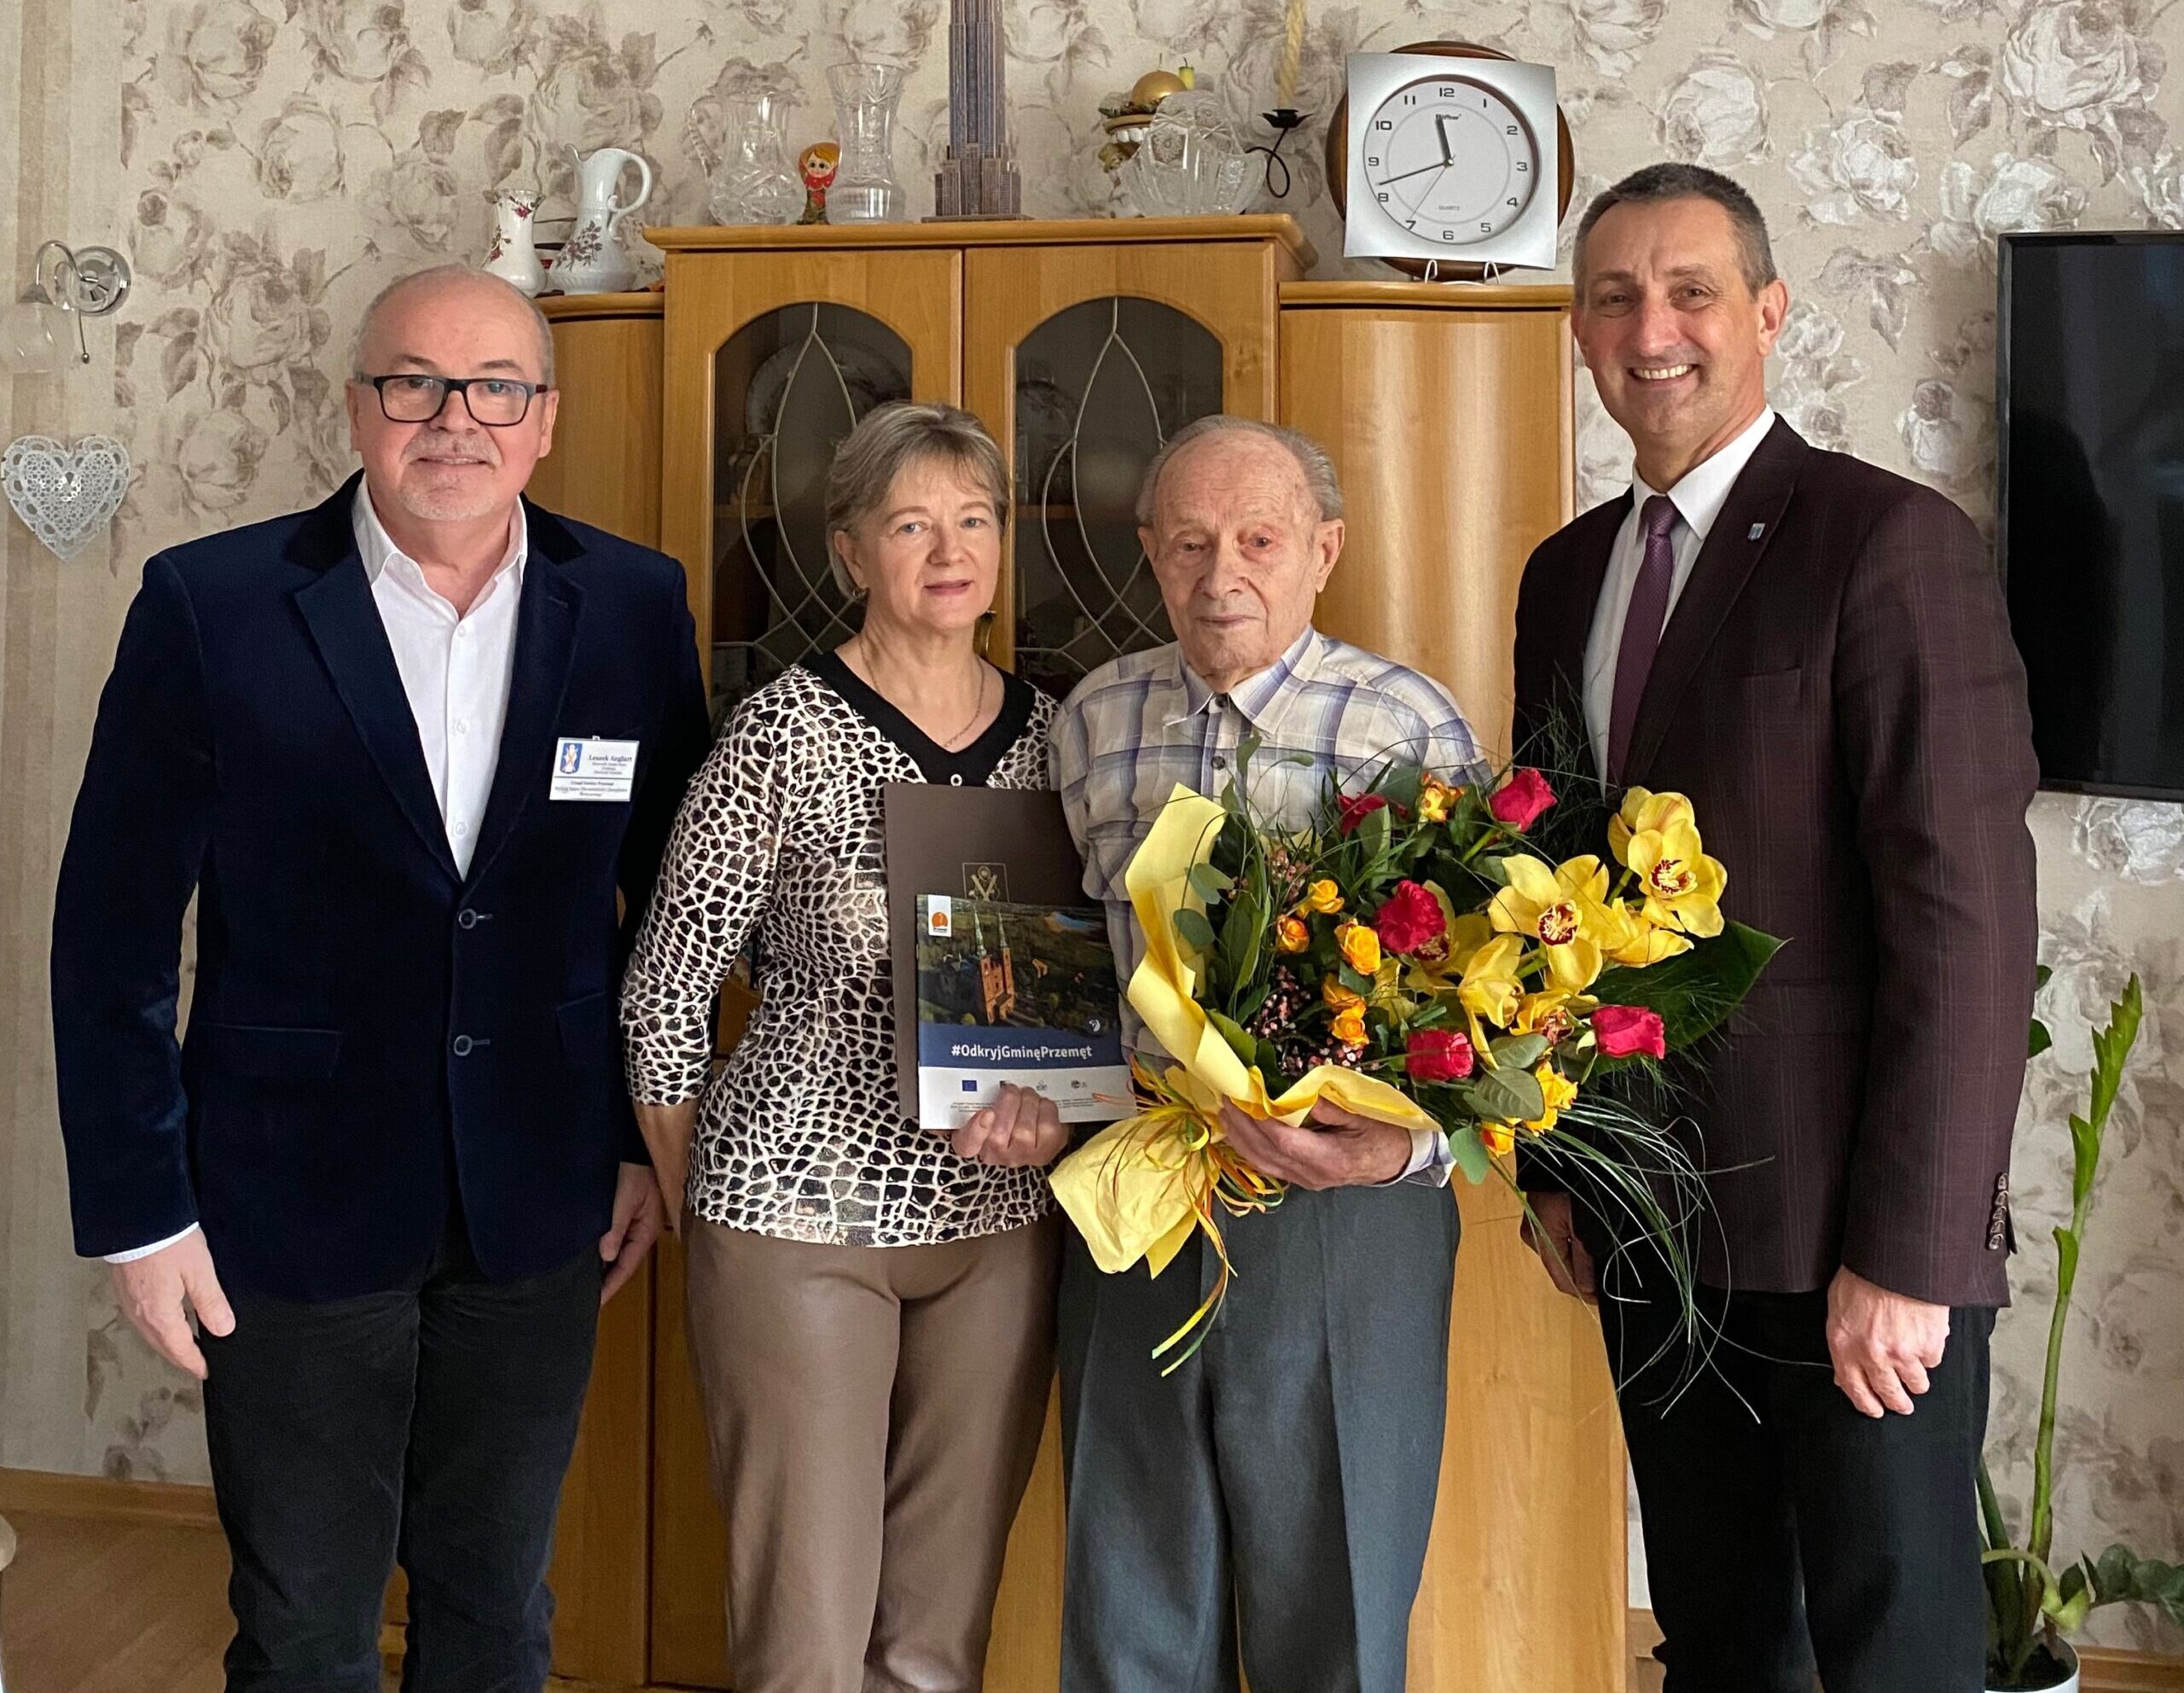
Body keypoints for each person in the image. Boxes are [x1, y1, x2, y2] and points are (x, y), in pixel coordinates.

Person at [49, 265, 712, 1692]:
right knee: (306, 1628)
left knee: (494, 1607)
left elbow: (671, 917)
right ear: (358, 407)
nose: (452, 420)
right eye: (413, 382)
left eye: (495, 390)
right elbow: (109, 935)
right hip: (284, 1201)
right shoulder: (211, 605)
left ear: (545, 421)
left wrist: (639, 1141)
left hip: (541, 1201)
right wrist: (138, 1215)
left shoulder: (636, 607)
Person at [1510, 164, 2040, 1693]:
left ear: (1767, 314)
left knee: (1895, 1650)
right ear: (1580, 331)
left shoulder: (1888, 543)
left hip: (1850, 1243)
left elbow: (1966, 919)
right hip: (1654, 1223)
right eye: (1613, 297)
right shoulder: (1563, 578)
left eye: (1689, 292)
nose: (1650, 328)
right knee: (1725, 1638)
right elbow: (1544, 896)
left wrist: (1915, 1250)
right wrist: (1562, 1164)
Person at [620, 402, 1067, 1693]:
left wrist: (1052, 1103)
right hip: (800, 1224)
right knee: (806, 1639)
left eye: (974, 519)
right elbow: (664, 999)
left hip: (1000, 1223)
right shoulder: (779, 733)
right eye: (911, 523)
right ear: (849, 552)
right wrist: (712, 1197)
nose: (950, 549)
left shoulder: (1054, 733)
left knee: (937, 1637)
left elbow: (1070, 979)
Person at [1048, 415, 1482, 1693]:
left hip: (1344, 1216)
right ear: (1149, 553)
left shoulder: (1405, 723)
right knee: (1128, 1594)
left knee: (1333, 1613)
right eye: (1187, 542)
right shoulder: (1092, 717)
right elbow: (1057, 957)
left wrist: (1400, 1152)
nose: (1219, 572)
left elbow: (1482, 1008)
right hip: (1139, 1187)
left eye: (1257, 538)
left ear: (1323, 550)